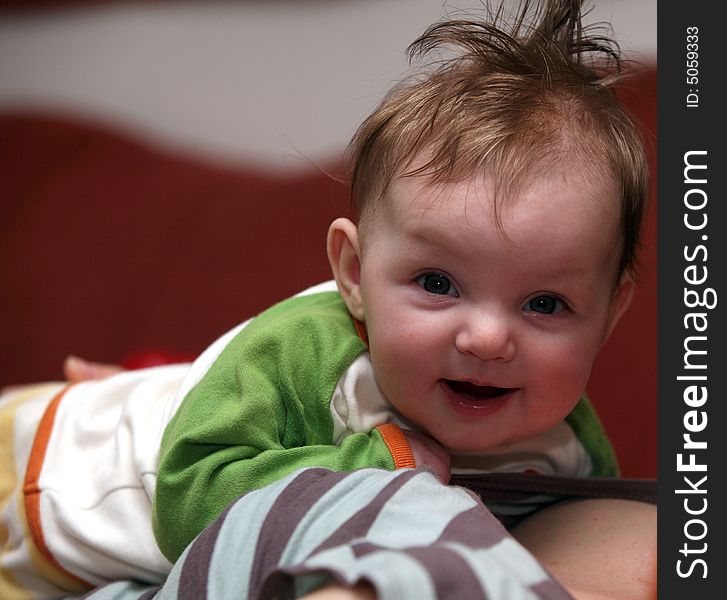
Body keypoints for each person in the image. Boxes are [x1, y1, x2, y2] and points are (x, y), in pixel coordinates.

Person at [0, 0, 655, 598]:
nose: (487, 338)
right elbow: (184, 496)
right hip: (41, 489)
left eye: (543, 304)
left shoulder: (568, 442)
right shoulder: (303, 350)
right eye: (435, 284)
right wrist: (375, 462)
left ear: (606, 315)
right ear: (352, 272)